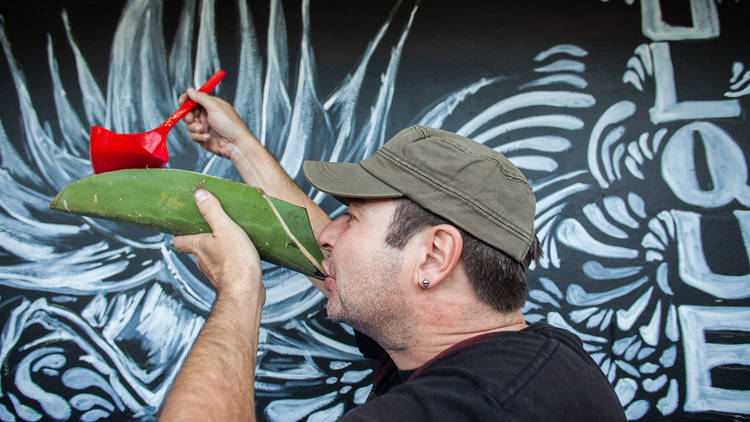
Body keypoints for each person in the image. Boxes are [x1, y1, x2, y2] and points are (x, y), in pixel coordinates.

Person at [159, 88, 626, 421]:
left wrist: (240, 291)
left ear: (433, 257)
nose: (327, 235)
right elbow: (343, 262)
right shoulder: (509, 353)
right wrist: (238, 146)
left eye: (353, 217)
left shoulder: (468, 407)